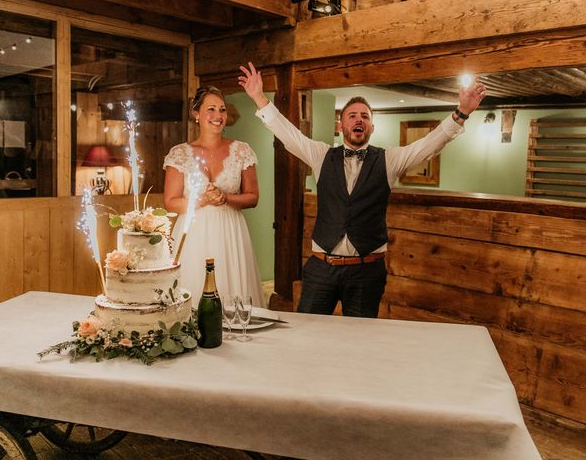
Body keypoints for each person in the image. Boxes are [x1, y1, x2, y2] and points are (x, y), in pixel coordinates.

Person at [238, 62, 486, 318]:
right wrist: (258, 97)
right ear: (341, 125)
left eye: (365, 116)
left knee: (361, 345)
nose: (359, 120)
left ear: (372, 127)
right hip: (322, 269)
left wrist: (462, 113)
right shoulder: (321, 155)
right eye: (352, 116)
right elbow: (288, 134)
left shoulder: (389, 160)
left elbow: (428, 145)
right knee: (306, 337)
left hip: (366, 272)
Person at [163, 86, 266, 308]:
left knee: (233, 293)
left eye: (222, 110)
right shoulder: (179, 153)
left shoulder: (241, 150)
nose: (218, 116)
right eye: (211, 109)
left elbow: (253, 197)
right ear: (196, 114)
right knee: (191, 295)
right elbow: (170, 202)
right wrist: (203, 200)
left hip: (230, 232)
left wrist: (225, 198)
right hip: (191, 234)